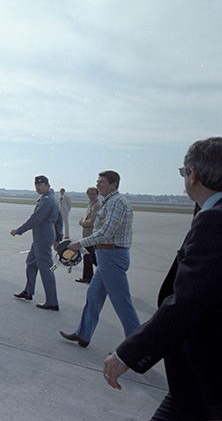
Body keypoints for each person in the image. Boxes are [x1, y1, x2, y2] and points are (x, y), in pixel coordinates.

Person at [101, 138, 222, 420]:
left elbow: (186, 303)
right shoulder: (209, 213)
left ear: (193, 176)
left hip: (206, 373)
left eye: (184, 172)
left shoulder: (214, 221)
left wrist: (126, 355)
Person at [60, 170, 140, 347]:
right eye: (97, 182)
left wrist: (79, 244)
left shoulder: (117, 203)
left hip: (112, 256)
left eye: (101, 182)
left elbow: (105, 233)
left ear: (113, 184)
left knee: (122, 304)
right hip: (105, 256)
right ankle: (84, 334)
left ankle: (137, 347)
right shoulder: (108, 202)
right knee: (93, 295)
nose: (98, 185)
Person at [10, 175, 63, 310]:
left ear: (47, 185)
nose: (38, 187)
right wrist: (58, 238)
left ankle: (52, 301)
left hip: (43, 236)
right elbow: (59, 220)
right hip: (43, 236)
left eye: (40, 185)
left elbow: (35, 219)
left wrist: (19, 230)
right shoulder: (53, 198)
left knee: (46, 269)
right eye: (36, 185)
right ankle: (29, 291)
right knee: (31, 263)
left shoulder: (47, 200)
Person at [75, 187, 101, 284]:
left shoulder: (97, 205)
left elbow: (93, 221)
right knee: (92, 257)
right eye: (90, 194)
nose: (92, 196)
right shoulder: (91, 204)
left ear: (97, 194)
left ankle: (88, 277)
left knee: (88, 256)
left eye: (94, 194)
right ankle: (101, 274)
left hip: (91, 235)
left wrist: (82, 223)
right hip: (87, 234)